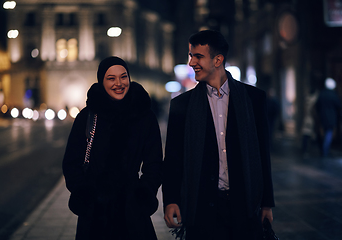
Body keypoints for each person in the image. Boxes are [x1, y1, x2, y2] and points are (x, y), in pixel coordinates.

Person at [162, 30, 275, 240]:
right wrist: (171, 200)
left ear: (218, 60)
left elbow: (262, 154)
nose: (191, 63)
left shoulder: (253, 99)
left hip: (245, 205)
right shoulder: (182, 105)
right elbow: (173, 159)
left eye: (198, 56)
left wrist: (267, 203)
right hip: (202, 207)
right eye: (190, 56)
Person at [63, 56, 163, 240]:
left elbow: (154, 162)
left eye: (123, 77)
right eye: (111, 78)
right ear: (102, 82)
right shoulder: (88, 116)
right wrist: (84, 194)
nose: (119, 83)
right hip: (95, 213)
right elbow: (71, 162)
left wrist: (144, 193)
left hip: (132, 211)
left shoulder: (144, 115)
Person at [315, 79, 341, 157]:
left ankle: (324, 149)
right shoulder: (333, 94)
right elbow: (339, 105)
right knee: (329, 133)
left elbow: (317, 105)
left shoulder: (322, 94)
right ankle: (325, 150)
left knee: (325, 133)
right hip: (331, 117)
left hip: (323, 117)